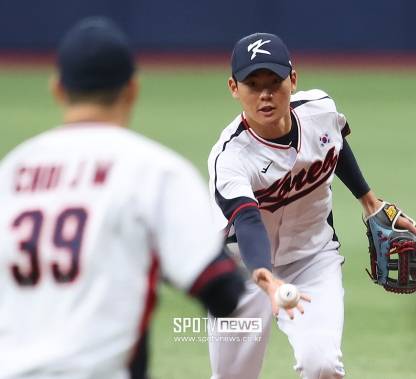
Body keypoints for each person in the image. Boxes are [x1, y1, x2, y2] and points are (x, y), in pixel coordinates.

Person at [0, 17, 250, 379]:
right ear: (132, 89)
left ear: (58, 89)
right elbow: (224, 295)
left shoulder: (10, 173)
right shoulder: (155, 171)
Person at [207, 32, 416, 379]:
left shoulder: (321, 110)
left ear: (293, 80)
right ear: (234, 88)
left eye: (274, 81)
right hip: (244, 270)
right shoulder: (230, 157)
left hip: (312, 259)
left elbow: (333, 143)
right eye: (252, 83)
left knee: (322, 365)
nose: (265, 93)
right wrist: (264, 275)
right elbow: (247, 221)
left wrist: (369, 200)